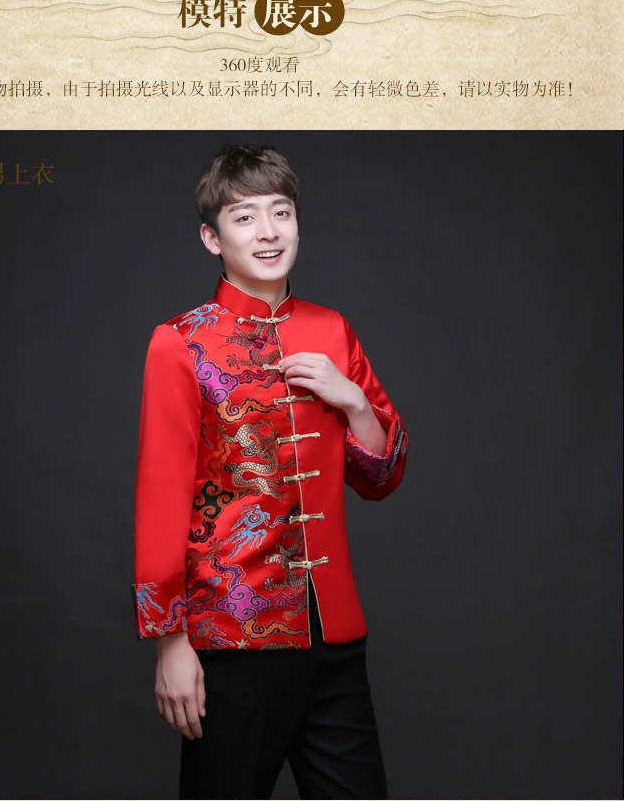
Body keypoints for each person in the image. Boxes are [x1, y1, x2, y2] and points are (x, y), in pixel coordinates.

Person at [131, 144, 409, 799]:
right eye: (245, 216)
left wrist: (354, 402)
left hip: (333, 635)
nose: (268, 231)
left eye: (281, 213)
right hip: (231, 640)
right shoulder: (181, 342)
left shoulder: (333, 330)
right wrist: (169, 642)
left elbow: (381, 479)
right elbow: (161, 499)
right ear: (212, 238)